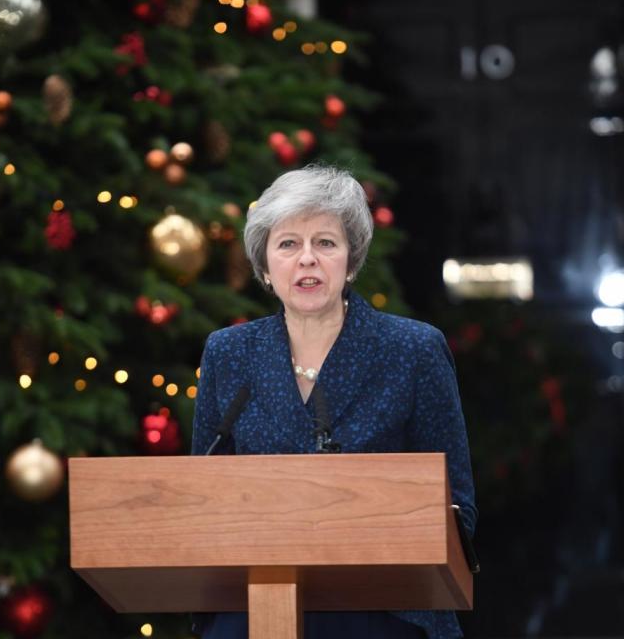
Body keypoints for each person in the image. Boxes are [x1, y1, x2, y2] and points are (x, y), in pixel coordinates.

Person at [191, 165, 477, 639]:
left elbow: (456, 505)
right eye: (288, 245)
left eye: (325, 243)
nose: (307, 259)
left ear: (352, 261)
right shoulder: (229, 353)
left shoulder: (413, 350)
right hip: (254, 606)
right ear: (264, 266)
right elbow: (200, 501)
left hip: (385, 609)